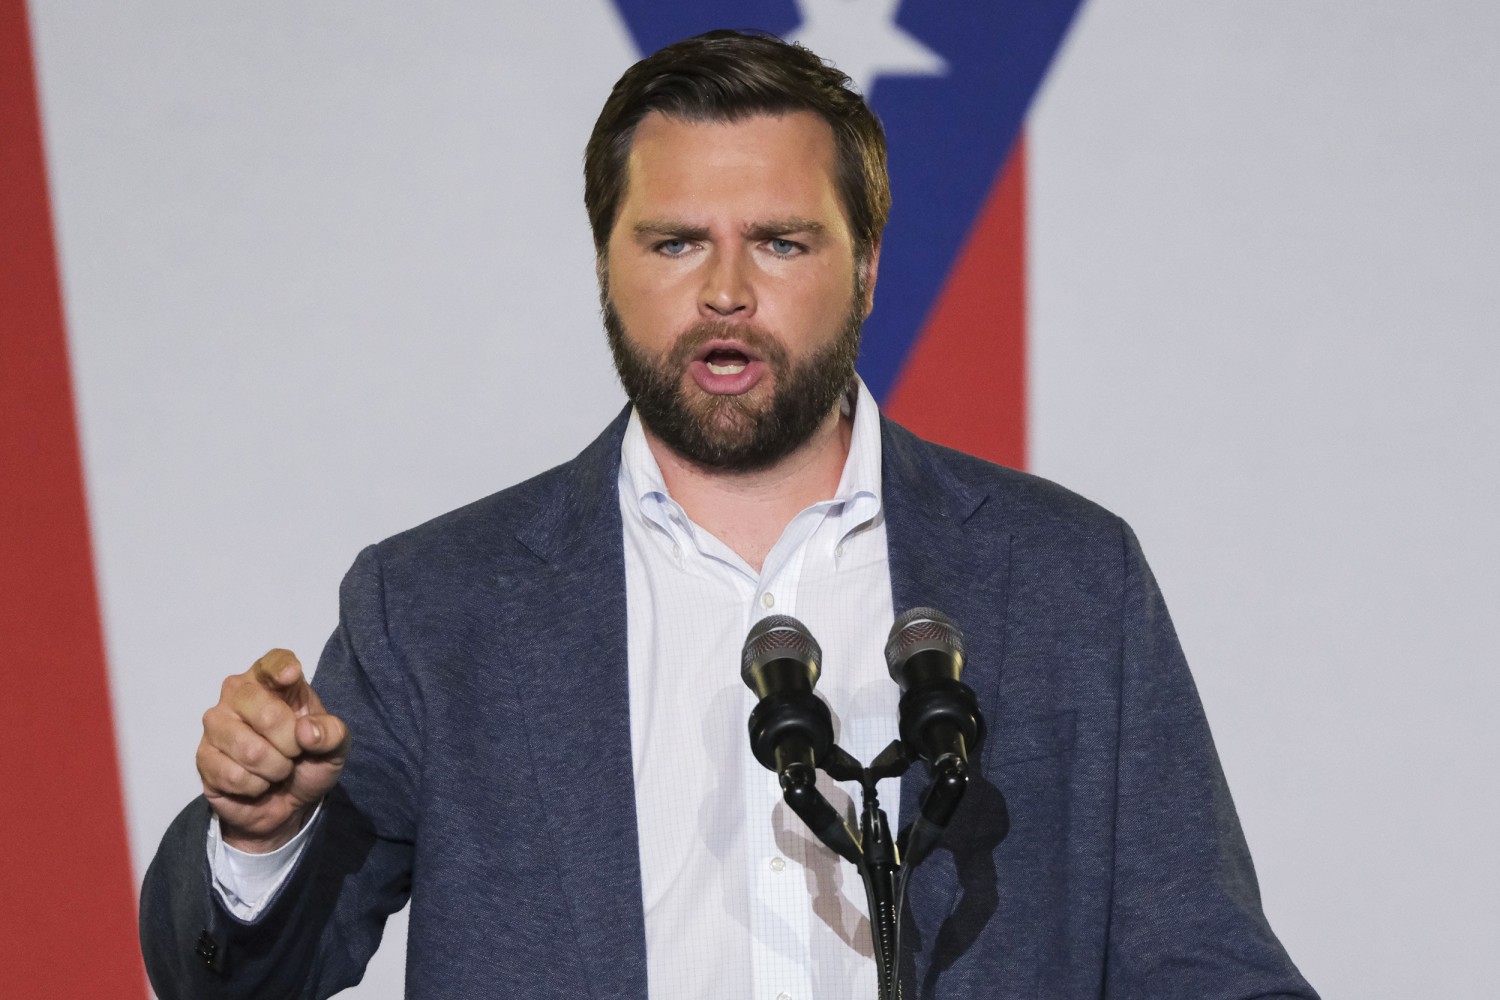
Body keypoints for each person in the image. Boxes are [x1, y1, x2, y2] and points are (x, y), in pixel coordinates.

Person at [140, 29, 1317, 1000]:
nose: (725, 293)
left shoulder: (1066, 577)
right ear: (605, 265)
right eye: (676, 242)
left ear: (866, 267)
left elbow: (1206, 964)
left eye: (780, 242)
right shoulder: (437, 605)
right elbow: (235, 981)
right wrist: (261, 841)